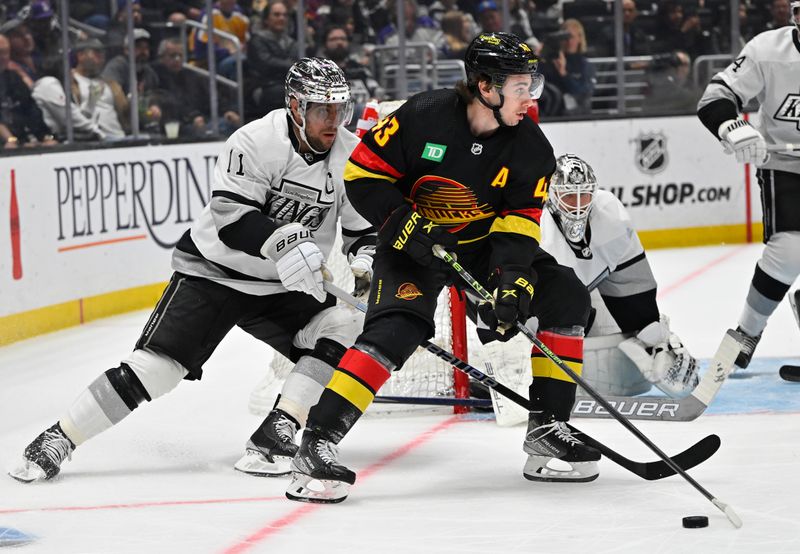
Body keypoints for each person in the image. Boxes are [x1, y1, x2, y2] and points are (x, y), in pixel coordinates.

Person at [9, 58, 377, 483]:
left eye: (340, 109)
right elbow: (231, 216)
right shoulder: (255, 141)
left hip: (281, 284)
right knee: (156, 370)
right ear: (296, 107)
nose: (333, 120)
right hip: (214, 272)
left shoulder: (349, 155)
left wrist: (364, 262)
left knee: (343, 323)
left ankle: (277, 433)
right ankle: (59, 437)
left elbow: (361, 229)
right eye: (321, 110)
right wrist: (287, 240)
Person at [284, 32, 599, 505]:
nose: (530, 97)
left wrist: (512, 283)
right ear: (486, 87)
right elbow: (362, 177)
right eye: (520, 87)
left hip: (481, 250)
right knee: (397, 327)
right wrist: (406, 226)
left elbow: (517, 228)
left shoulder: (532, 148)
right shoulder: (422, 116)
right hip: (410, 242)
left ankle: (548, 427)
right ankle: (317, 441)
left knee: (566, 295)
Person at [536, 154, 699, 398]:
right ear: (551, 195)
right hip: (532, 300)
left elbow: (632, 283)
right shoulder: (538, 225)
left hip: (577, 295)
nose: (578, 204)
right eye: (569, 196)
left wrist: (651, 332)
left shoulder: (610, 214)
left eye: (585, 195)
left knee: (624, 333)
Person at [697, 2, 800, 370]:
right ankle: (747, 331)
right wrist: (732, 127)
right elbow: (715, 98)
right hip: (785, 165)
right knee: (789, 251)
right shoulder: (767, 50)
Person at [32, 38, 126, 141]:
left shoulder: (110, 83)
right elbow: (71, 117)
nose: (102, 57)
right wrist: (99, 133)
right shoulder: (51, 84)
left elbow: (125, 112)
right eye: (96, 53)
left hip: (115, 135)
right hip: (87, 138)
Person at [0, 32, 56, 148]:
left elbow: (31, 108)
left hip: (19, 140)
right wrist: (10, 139)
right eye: (0, 52)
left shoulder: (13, 78)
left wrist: (46, 137)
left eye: (6, 52)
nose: (4, 57)